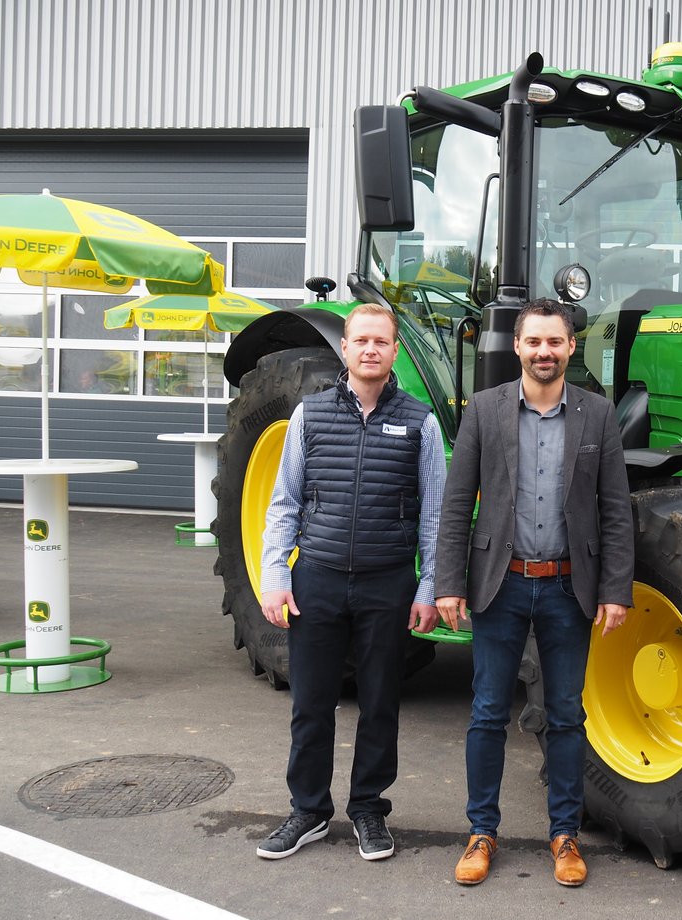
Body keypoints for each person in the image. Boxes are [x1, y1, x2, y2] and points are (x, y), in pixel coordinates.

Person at [436, 297, 634, 888]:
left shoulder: (598, 416)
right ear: (517, 347)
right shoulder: (485, 411)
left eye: (555, 342)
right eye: (534, 342)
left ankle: (565, 837)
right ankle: (480, 833)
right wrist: (449, 582)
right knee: (488, 713)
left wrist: (615, 589)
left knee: (567, 716)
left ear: (572, 347)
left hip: (568, 588)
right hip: (501, 584)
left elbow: (615, 511)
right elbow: (457, 501)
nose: (544, 352)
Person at [254, 302, 444, 862]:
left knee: (381, 703)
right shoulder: (309, 417)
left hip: (388, 584)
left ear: (395, 352)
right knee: (311, 703)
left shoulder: (421, 423)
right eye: (360, 340)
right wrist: (274, 577)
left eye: (380, 342)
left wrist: (428, 587)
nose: (369, 350)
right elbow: (284, 503)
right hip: (316, 579)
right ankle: (308, 810)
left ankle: (368, 809)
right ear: (345, 348)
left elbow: (433, 517)